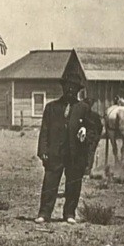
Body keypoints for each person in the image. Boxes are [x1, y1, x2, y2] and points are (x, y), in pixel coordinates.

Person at [35, 67, 104, 224]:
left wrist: (86, 130)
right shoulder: (52, 108)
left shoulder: (83, 109)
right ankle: (44, 213)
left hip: (76, 154)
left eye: (74, 88)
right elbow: (44, 130)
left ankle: (69, 214)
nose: (70, 90)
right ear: (63, 87)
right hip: (55, 152)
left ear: (78, 91)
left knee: (73, 184)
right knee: (50, 183)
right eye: (68, 87)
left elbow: (94, 129)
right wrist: (43, 150)